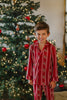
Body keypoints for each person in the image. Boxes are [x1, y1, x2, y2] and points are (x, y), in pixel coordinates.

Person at [26, 21, 58, 100]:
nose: (41, 36)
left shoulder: (51, 48)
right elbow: (30, 63)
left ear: (48, 34)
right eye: (38, 34)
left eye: (43, 34)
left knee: (50, 97)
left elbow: (54, 65)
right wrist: (29, 77)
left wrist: (54, 79)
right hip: (36, 78)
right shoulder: (32, 47)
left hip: (48, 79)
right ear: (35, 35)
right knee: (37, 97)